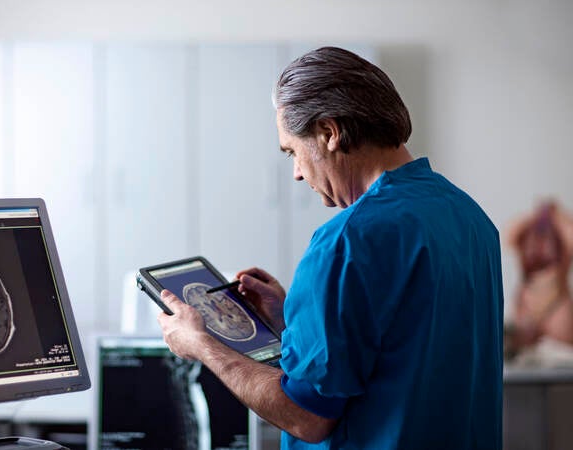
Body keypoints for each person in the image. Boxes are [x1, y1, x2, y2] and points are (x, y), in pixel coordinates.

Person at [157, 47, 503, 449]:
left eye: (292, 151)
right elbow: (405, 352)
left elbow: (306, 414)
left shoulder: (347, 240)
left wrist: (204, 345)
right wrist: (290, 323)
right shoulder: (469, 217)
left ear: (329, 132)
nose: (297, 173)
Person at [505, 200, 573, 356]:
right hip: (526, 309)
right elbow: (508, 234)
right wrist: (536, 216)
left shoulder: (562, 247)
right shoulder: (524, 237)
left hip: (556, 308)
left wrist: (555, 215)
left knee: (562, 360)